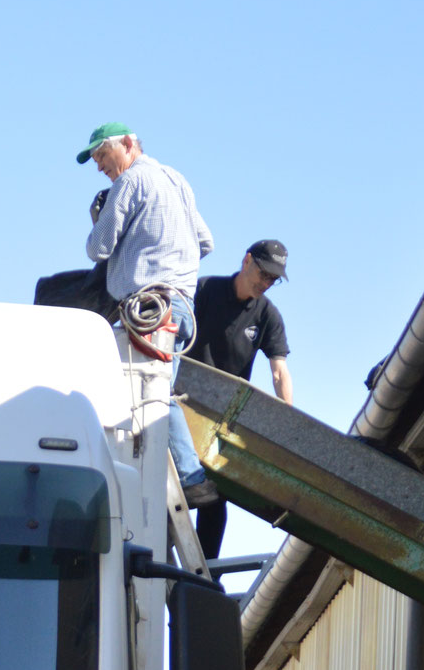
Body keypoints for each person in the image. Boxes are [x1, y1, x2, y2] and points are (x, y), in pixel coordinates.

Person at [34, 123, 215, 500]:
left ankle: (191, 477)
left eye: (102, 155)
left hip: (149, 306)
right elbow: (205, 242)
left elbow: (97, 248)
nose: (99, 166)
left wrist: (102, 217)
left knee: (146, 397)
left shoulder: (130, 182)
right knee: (156, 391)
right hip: (180, 305)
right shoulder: (176, 179)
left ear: (128, 145)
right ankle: (186, 478)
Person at [189, 240, 293, 561]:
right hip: (186, 401)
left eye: (273, 280)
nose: (266, 284)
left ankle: (204, 572)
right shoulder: (205, 289)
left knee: (215, 495)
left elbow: (279, 372)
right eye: (263, 274)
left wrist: (288, 424)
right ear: (247, 261)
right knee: (176, 487)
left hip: (224, 416)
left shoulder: (266, 314)